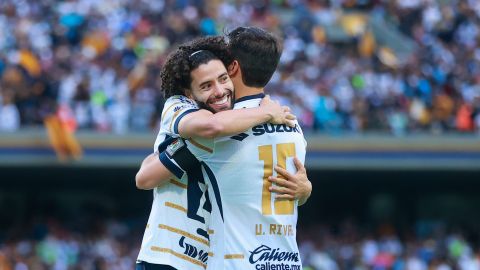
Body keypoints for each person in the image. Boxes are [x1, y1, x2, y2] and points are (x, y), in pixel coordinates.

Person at [135, 36, 310, 270]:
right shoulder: (183, 110)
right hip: (169, 256)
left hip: (207, 258)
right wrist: (266, 114)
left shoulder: (235, 123)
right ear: (189, 93)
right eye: (206, 86)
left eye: (223, 79)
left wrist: (305, 189)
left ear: (232, 71)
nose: (219, 90)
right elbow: (144, 177)